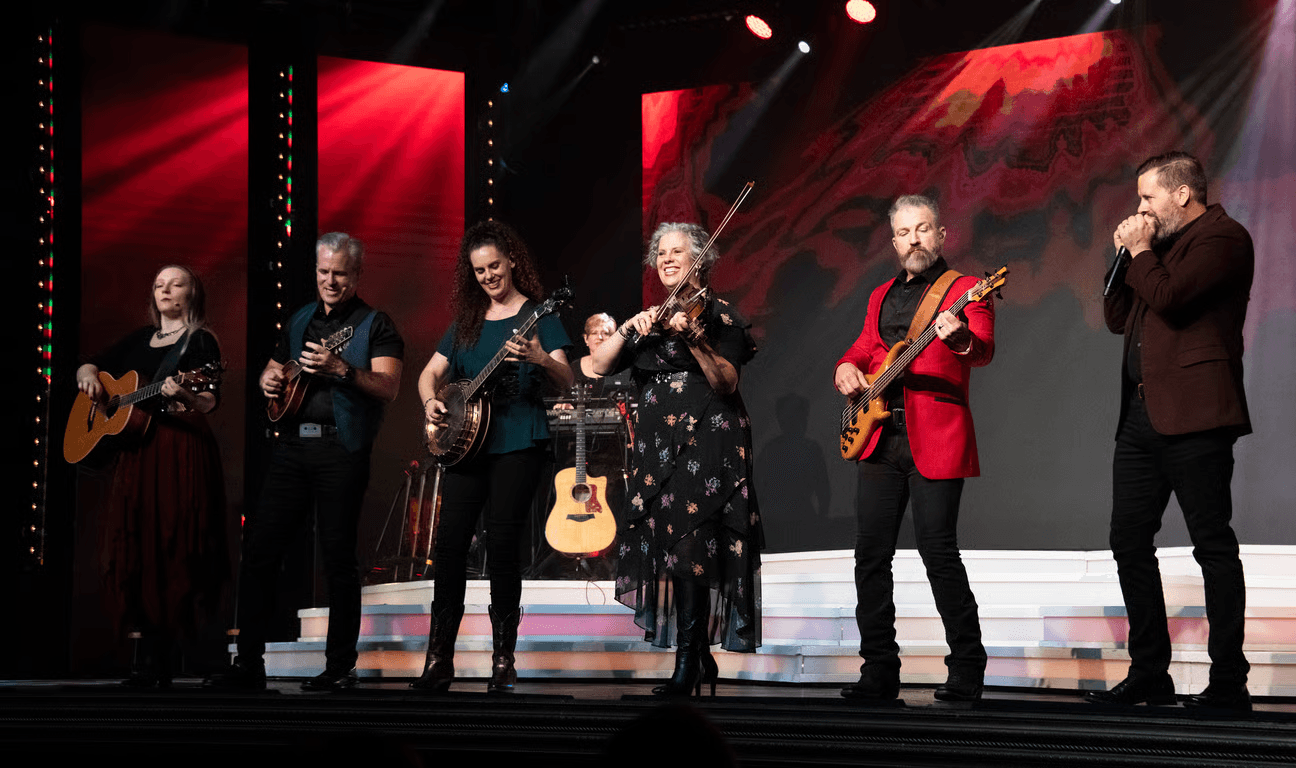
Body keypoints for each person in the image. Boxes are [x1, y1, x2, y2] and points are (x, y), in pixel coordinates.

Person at [1085, 152, 1254, 712]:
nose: (1141, 211)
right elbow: (1117, 320)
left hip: (1197, 416)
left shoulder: (1223, 238)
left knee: (1212, 545)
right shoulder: (1151, 251)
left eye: (1148, 198)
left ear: (1181, 194)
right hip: (1139, 420)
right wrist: (1122, 258)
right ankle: (1149, 672)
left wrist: (1138, 250)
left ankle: (1229, 681)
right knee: (1128, 542)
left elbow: (1172, 299)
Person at [206, 232, 403, 691]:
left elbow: (389, 387)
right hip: (292, 448)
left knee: (338, 558)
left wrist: (342, 371)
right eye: (323, 272)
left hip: (341, 450)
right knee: (259, 552)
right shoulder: (299, 319)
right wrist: (269, 381)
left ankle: (339, 669)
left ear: (356, 276)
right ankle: (249, 665)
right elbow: (272, 369)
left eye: (339, 273)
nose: (329, 281)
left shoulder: (376, 324)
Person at [590, 222, 763, 696]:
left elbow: (726, 383)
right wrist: (629, 327)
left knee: (691, 548)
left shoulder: (721, 319)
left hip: (708, 442)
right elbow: (598, 366)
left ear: (700, 259)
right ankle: (701, 659)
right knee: (677, 549)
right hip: (657, 450)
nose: (666, 260)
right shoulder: (650, 321)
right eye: (660, 253)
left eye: (676, 252)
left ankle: (688, 662)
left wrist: (694, 339)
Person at [833, 194, 994, 702]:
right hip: (880, 436)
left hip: (936, 437)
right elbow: (864, 347)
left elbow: (983, 350)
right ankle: (878, 671)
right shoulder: (880, 293)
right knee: (870, 557)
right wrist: (845, 367)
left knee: (939, 553)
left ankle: (967, 668)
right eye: (903, 233)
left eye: (923, 229)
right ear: (895, 240)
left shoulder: (966, 289)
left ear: (942, 234)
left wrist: (959, 336)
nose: (913, 240)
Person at [413, 220, 574, 693]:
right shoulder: (465, 322)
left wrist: (540, 359)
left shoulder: (541, 314)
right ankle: (439, 659)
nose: (487, 276)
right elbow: (429, 375)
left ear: (512, 263)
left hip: (518, 440)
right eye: (479, 269)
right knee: (449, 547)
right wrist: (431, 404)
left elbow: (568, 380)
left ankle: (503, 660)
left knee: (502, 547)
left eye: (494, 266)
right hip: (466, 447)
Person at [75, 265, 227, 687]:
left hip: (178, 451)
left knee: (173, 542)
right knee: (137, 544)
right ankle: (144, 658)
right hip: (138, 453)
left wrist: (187, 393)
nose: (165, 289)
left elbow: (210, 401)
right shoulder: (139, 340)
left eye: (176, 283)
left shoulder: (201, 341)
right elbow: (91, 365)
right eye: (159, 283)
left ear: (193, 293)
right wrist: (87, 374)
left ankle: (168, 657)